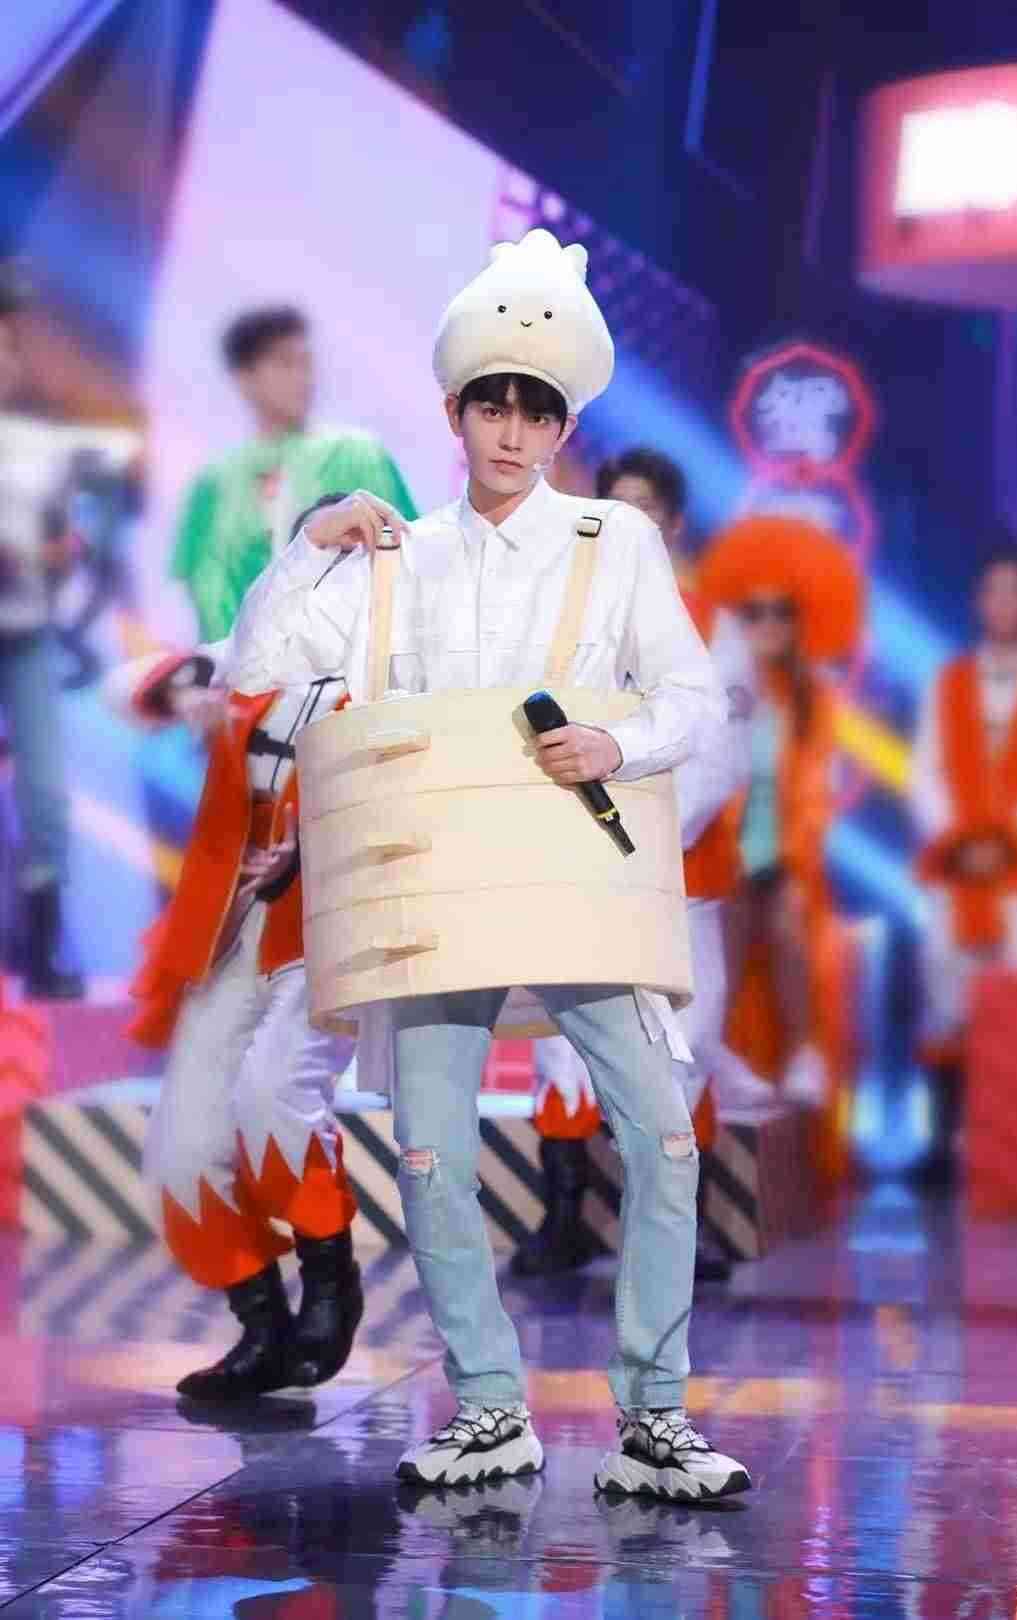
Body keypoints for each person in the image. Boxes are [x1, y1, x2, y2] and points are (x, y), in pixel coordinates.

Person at [224, 229, 752, 1504]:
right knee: (429, 1152)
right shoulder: (397, 555)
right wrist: (310, 548)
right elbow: (259, 672)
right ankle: (487, 1407)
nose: (513, 434)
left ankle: (656, 1417)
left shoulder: (616, 543)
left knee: (663, 1137)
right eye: (492, 407)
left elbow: (697, 701)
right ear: (455, 411)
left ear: (565, 424)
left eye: (538, 411)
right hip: (438, 901)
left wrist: (616, 742)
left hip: (577, 886)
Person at [104, 496, 373, 1401]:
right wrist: (187, 691)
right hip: (234, 922)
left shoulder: (406, 664)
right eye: (325, 549)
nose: (343, 568)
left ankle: (330, 1282)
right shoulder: (255, 651)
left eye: (359, 551)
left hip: (334, 922)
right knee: (181, 1148)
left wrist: (314, 842)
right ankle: (260, 1321)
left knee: (273, 1096)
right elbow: (134, 690)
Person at [516, 446, 755, 1284]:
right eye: (616, 507)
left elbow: (721, 755)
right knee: (563, 1042)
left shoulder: (715, 628)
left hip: (681, 874)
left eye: (646, 508)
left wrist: (642, 835)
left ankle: (674, 1233)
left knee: (686, 1041)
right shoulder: (565, 618)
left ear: (674, 523)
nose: (630, 523)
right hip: (581, 872)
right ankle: (564, 1218)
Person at [910, 541, 1017, 1174]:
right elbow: (924, 772)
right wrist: (963, 840)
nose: (1004, 603)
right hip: (958, 866)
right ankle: (943, 1148)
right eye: (994, 591)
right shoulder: (947, 682)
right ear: (979, 602)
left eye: (1016, 591)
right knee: (946, 996)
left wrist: (1007, 842)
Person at [693, 514, 864, 1113]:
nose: (767, 625)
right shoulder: (717, 683)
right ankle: (713, 1052)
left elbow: (817, 791)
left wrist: (788, 854)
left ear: (797, 623)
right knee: (729, 907)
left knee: (789, 905)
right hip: (722, 845)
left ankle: (803, 1054)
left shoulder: (813, 697)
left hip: (785, 853)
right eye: (754, 612)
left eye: (780, 612)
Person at [171, 305, 417, 644]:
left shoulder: (358, 453)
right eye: (286, 363)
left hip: (343, 662)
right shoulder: (214, 482)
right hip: (242, 666)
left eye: (307, 363)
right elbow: (203, 589)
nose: (304, 378)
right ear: (245, 377)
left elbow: (406, 560)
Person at [0, 268, 83, 998]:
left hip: (26, 635)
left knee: (47, 795)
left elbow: (64, 542)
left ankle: (42, 949)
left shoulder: (38, 447)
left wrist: (55, 554)